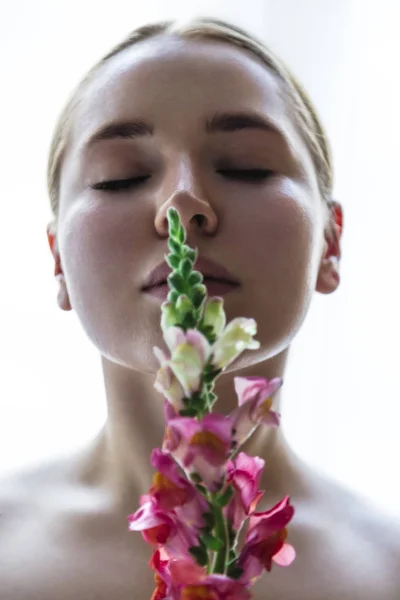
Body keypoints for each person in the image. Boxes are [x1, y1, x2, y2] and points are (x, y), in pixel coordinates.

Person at [0, 16, 398, 600]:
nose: (183, 203)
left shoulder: (386, 571)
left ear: (329, 243)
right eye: (120, 177)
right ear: (57, 257)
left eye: (247, 167)